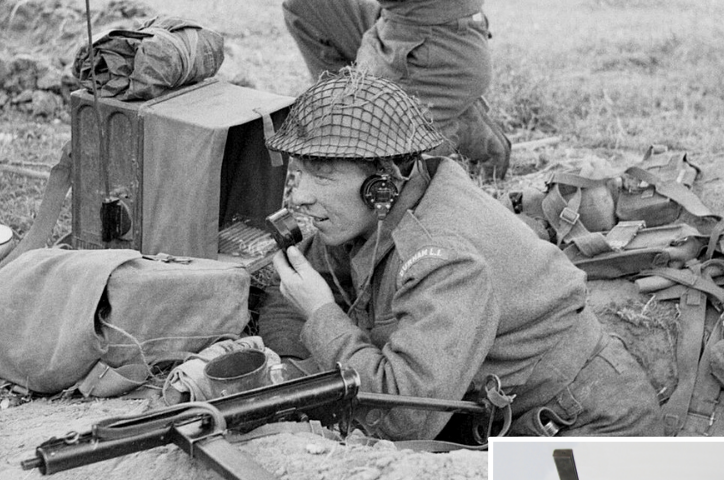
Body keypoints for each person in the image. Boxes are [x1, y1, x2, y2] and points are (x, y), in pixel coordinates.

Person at [257, 69, 664, 441]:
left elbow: (403, 418)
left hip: (587, 427)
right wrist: (288, 369)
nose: (299, 197)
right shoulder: (384, 208)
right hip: (513, 415)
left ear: (381, 182)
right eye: (300, 172)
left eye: (323, 175)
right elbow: (291, 291)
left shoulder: (443, 256)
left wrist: (321, 317)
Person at [281, 0, 512, 177]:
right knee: (306, 6)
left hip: (436, 49)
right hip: (396, 25)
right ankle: (346, 115)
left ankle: (461, 126)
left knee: (377, 173)